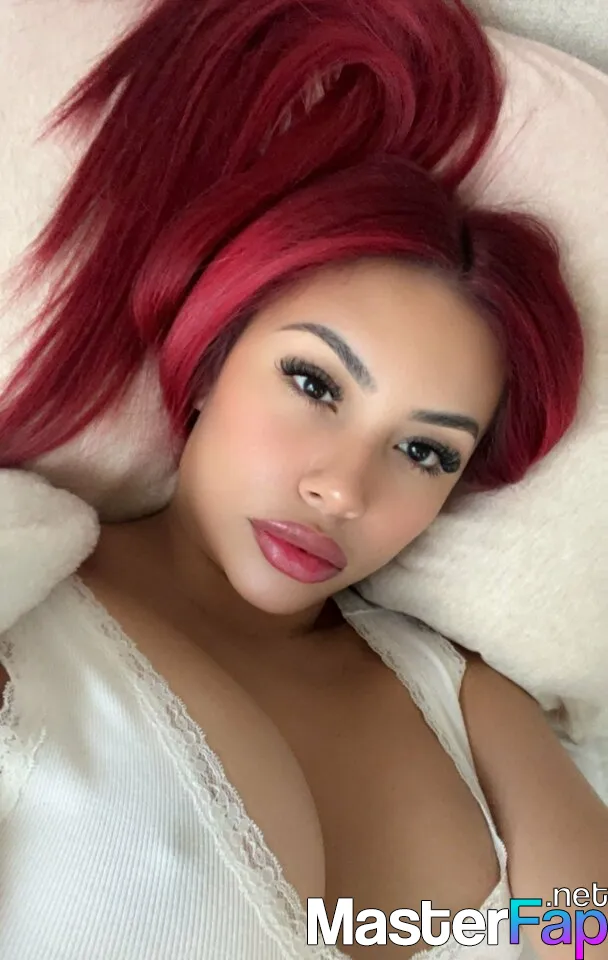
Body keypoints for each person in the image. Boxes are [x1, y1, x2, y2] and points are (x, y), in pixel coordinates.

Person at [0, 1, 606, 959]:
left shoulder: (469, 702)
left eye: (425, 452)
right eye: (317, 385)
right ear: (210, 357)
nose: (344, 490)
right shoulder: (24, 600)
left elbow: (583, 934)